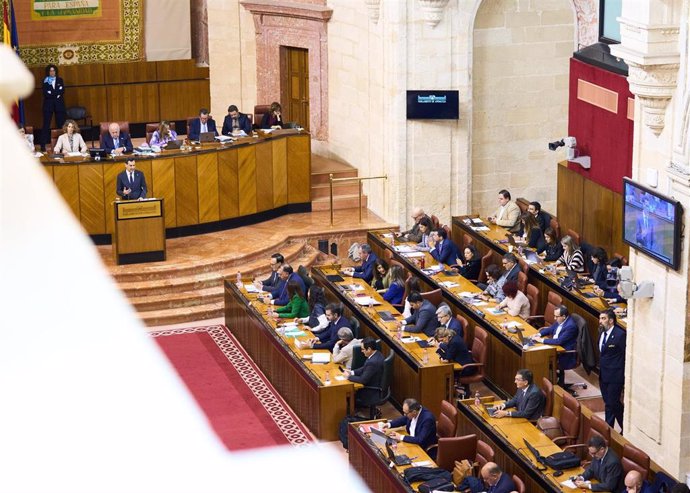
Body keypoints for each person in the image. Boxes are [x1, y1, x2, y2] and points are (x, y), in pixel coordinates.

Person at [533, 305, 578, 386]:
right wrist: (538, 334)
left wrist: (542, 340)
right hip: (555, 347)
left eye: (556, 316)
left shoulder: (570, 326)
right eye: (554, 316)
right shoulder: (560, 320)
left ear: (564, 316)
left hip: (564, 353)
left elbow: (559, 341)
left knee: (540, 356)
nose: (554, 318)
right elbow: (550, 329)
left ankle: (548, 383)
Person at [598, 309, 626, 431]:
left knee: (612, 403)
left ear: (611, 320)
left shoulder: (620, 335)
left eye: (603, 319)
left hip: (615, 375)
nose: (600, 321)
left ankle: (608, 430)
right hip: (603, 374)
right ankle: (621, 427)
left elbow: (625, 354)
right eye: (600, 318)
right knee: (609, 402)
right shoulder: (601, 332)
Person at [345, 337, 385, 409]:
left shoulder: (372, 362)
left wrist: (349, 377)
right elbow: (364, 368)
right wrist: (352, 372)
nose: (361, 351)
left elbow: (363, 380)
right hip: (376, 384)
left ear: (369, 349)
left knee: (346, 394)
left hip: (370, 390)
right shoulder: (377, 354)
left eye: (363, 349)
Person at [41, 64, 66, 152]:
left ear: (56, 71)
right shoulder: (45, 81)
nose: (52, 72)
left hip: (59, 105)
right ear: (48, 72)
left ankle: (63, 145)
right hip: (48, 105)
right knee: (46, 125)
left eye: (53, 70)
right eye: (50, 71)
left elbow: (62, 91)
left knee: (60, 125)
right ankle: (43, 145)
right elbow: (46, 94)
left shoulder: (60, 80)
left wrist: (52, 93)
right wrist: (56, 93)